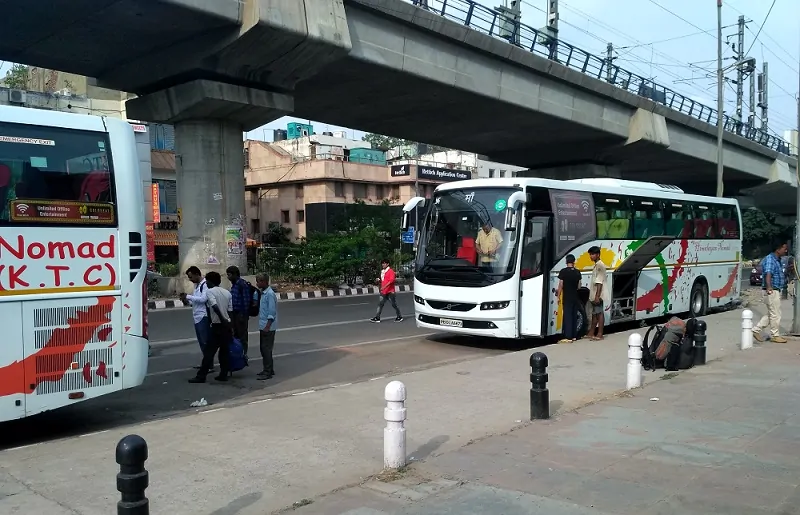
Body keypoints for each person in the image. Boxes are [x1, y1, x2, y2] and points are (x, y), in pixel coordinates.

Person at [189, 271, 233, 383]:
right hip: (226, 326)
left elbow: (214, 306)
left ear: (210, 281)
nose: (206, 283)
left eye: (207, 281)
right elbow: (230, 310)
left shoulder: (210, 292)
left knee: (209, 352)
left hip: (217, 325)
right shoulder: (227, 292)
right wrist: (229, 322)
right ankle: (223, 374)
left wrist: (222, 319)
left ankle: (201, 376)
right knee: (224, 352)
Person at [753, 240, 789, 344]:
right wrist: (769, 287)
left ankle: (756, 330)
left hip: (775, 289)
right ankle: (775, 335)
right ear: (778, 249)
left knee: (772, 313)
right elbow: (768, 273)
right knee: (775, 314)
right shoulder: (770, 259)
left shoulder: (777, 259)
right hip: (771, 290)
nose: (785, 250)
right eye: (784, 248)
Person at [180, 266, 213, 371]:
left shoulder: (205, 285)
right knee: (201, 342)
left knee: (205, 342)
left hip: (203, 316)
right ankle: (206, 363)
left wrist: (188, 296)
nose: (190, 279)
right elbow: (195, 302)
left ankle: (209, 365)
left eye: (191, 277)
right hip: (196, 316)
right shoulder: (196, 286)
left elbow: (203, 299)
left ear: (196, 274)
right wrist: (186, 300)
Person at [255, 273, 278, 380]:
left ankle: (267, 372)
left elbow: (271, 312)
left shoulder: (269, 294)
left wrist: (268, 326)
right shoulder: (263, 293)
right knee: (264, 349)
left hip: (268, 327)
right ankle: (268, 369)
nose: (257, 283)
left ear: (264, 282)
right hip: (263, 325)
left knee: (266, 349)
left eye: (259, 281)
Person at [226, 265, 252, 357]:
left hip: (241, 314)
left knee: (242, 335)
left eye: (229, 275)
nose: (228, 277)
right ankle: (238, 353)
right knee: (235, 334)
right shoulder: (234, 285)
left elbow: (246, 301)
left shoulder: (242, 284)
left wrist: (243, 314)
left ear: (235, 274)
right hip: (234, 313)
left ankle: (244, 354)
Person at [556, 254, 582, 343]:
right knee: (574, 316)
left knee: (568, 316)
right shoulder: (578, 272)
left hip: (567, 297)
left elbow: (560, 285)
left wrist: (558, 296)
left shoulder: (563, 272)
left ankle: (568, 337)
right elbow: (579, 286)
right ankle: (574, 336)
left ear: (566, 262)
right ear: (574, 261)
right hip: (575, 296)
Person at [370, 259, 403, 323]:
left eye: (384, 263)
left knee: (394, 305)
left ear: (388, 264)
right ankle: (377, 317)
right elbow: (383, 280)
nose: (383, 264)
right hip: (383, 292)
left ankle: (399, 316)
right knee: (380, 304)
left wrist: (384, 287)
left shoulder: (391, 271)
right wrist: (378, 280)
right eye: (382, 263)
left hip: (390, 291)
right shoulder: (383, 272)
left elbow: (391, 281)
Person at [585, 246, 607, 341]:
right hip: (594, 294)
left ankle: (600, 333)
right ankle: (591, 332)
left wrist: (597, 296)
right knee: (594, 313)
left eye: (593, 254)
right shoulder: (596, 265)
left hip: (598, 294)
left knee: (599, 313)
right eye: (590, 254)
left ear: (598, 254)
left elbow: (599, 282)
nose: (591, 256)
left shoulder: (600, 265)